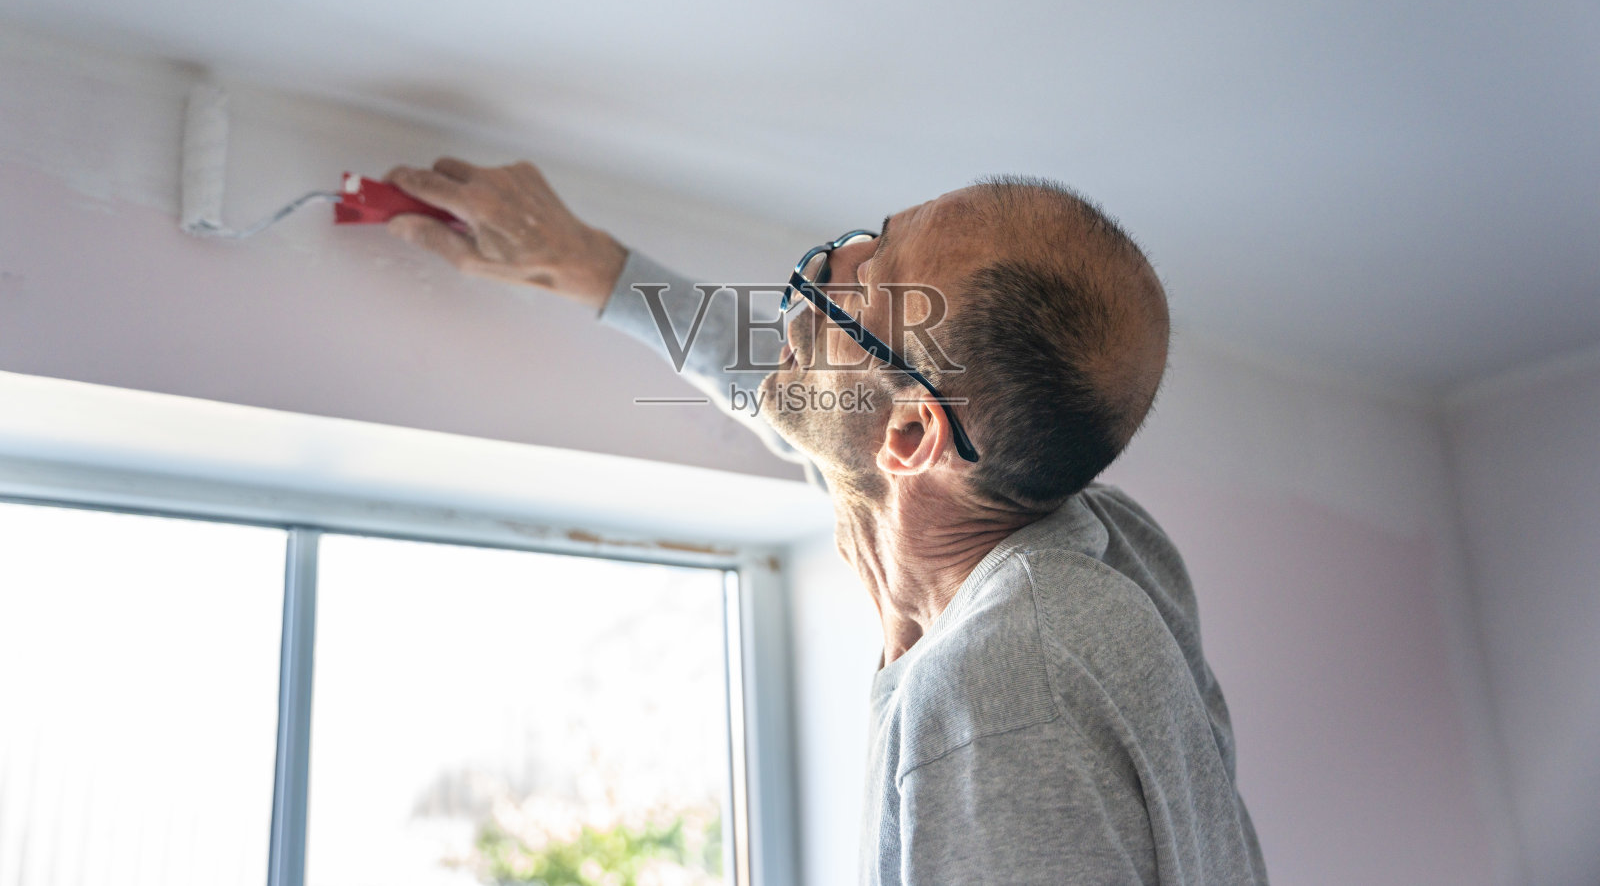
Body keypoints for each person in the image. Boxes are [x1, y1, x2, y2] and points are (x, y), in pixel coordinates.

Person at [384, 157, 1269, 886]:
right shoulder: (1096, 532)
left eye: (857, 291)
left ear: (915, 432)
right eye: (869, 240)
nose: (814, 279)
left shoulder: (1004, 692)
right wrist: (589, 264)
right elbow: (812, 405)